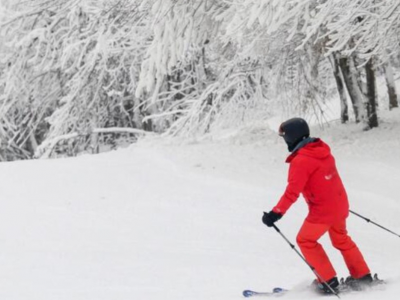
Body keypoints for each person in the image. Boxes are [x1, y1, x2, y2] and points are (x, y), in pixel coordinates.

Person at [262, 117, 372, 294]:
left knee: (305, 240)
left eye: (286, 138)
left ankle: (328, 281)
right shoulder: (323, 151)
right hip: (339, 205)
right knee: (341, 239)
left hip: (323, 211)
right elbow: (326, 180)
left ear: (292, 138)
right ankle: (362, 275)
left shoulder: (301, 161)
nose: (285, 142)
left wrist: (275, 214)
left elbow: (292, 192)